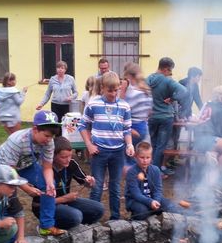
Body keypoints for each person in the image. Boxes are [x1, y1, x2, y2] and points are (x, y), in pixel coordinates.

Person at [0, 110, 65, 236]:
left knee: (49, 184)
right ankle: (5, 233)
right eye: (46, 136)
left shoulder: (49, 142)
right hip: (4, 168)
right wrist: (25, 187)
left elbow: (47, 167)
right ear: (35, 129)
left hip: (26, 165)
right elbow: (11, 171)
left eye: (52, 137)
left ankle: (46, 226)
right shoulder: (17, 140)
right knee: (9, 195)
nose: (49, 140)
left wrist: (49, 184)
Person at [78, 71, 134, 220]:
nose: (113, 93)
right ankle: (92, 218)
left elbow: (127, 129)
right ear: (102, 87)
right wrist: (89, 145)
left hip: (118, 152)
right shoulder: (94, 103)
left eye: (116, 90)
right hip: (99, 152)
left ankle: (115, 218)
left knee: (115, 187)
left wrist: (129, 144)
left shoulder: (124, 106)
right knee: (97, 186)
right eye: (110, 90)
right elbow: (82, 126)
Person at [32, 136, 104, 228]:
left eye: (70, 155)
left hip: (66, 201)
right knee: (76, 216)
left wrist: (90, 182)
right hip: (45, 207)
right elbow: (37, 204)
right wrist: (64, 199)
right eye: (64, 157)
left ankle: (76, 227)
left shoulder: (72, 164)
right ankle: (47, 225)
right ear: (52, 156)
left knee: (98, 209)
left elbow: (86, 183)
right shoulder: (43, 170)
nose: (68, 159)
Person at [146, 57, 188, 175]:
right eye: (170, 70)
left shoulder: (148, 79)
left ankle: (150, 169)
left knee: (153, 144)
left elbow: (141, 91)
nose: (170, 73)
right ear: (165, 69)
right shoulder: (167, 81)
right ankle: (156, 170)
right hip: (165, 117)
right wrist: (173, 98)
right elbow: (184, 91)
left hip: (152, 117)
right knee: (161, 145)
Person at [125, 142, 180, 220]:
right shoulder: (132, 172)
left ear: (151, 157)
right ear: (136, 157)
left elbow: (158, 190)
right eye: (142, 157)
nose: (145, 160)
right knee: (142, 211)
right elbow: (136, 194)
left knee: (170, 206)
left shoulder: (156, 170)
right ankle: (137, 217)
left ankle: (154, 213)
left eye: (148, 157)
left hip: (152, 198)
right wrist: (150, 202)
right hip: (135, 200)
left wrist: (156, 201)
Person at [193, 86, 222, 167]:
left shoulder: (208, 104)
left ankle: (212, 158)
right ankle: (217, 172)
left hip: (198, 140)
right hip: (209, 140)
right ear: (221, 97)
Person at [119, 62, 153, 163]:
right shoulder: (146, 90)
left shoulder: (132, 92)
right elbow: (149, 112)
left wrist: (123, 90)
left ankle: (134, 177)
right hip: (143, 126)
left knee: (128, 157)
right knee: (137, 156)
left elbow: (122, 107)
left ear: (128, 76)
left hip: (132, 127)